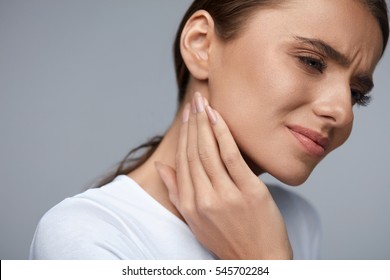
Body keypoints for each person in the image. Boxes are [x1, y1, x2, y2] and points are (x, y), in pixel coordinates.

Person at [29, 0, 389, 260]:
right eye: (312, 61)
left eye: (356, 94)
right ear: (201, 44)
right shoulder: (87, 235)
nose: (342, 112)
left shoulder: (297, 220)